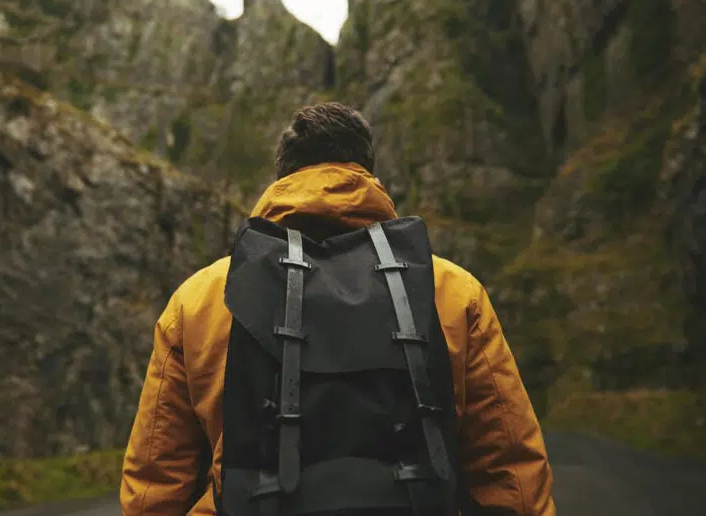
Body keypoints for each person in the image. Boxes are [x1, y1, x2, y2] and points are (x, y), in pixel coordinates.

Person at [120, 102, 555, 516]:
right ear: (366, 172)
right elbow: (510, 471)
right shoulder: (452, 291)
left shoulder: (201, 298)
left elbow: (155, 486)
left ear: (283, 176)